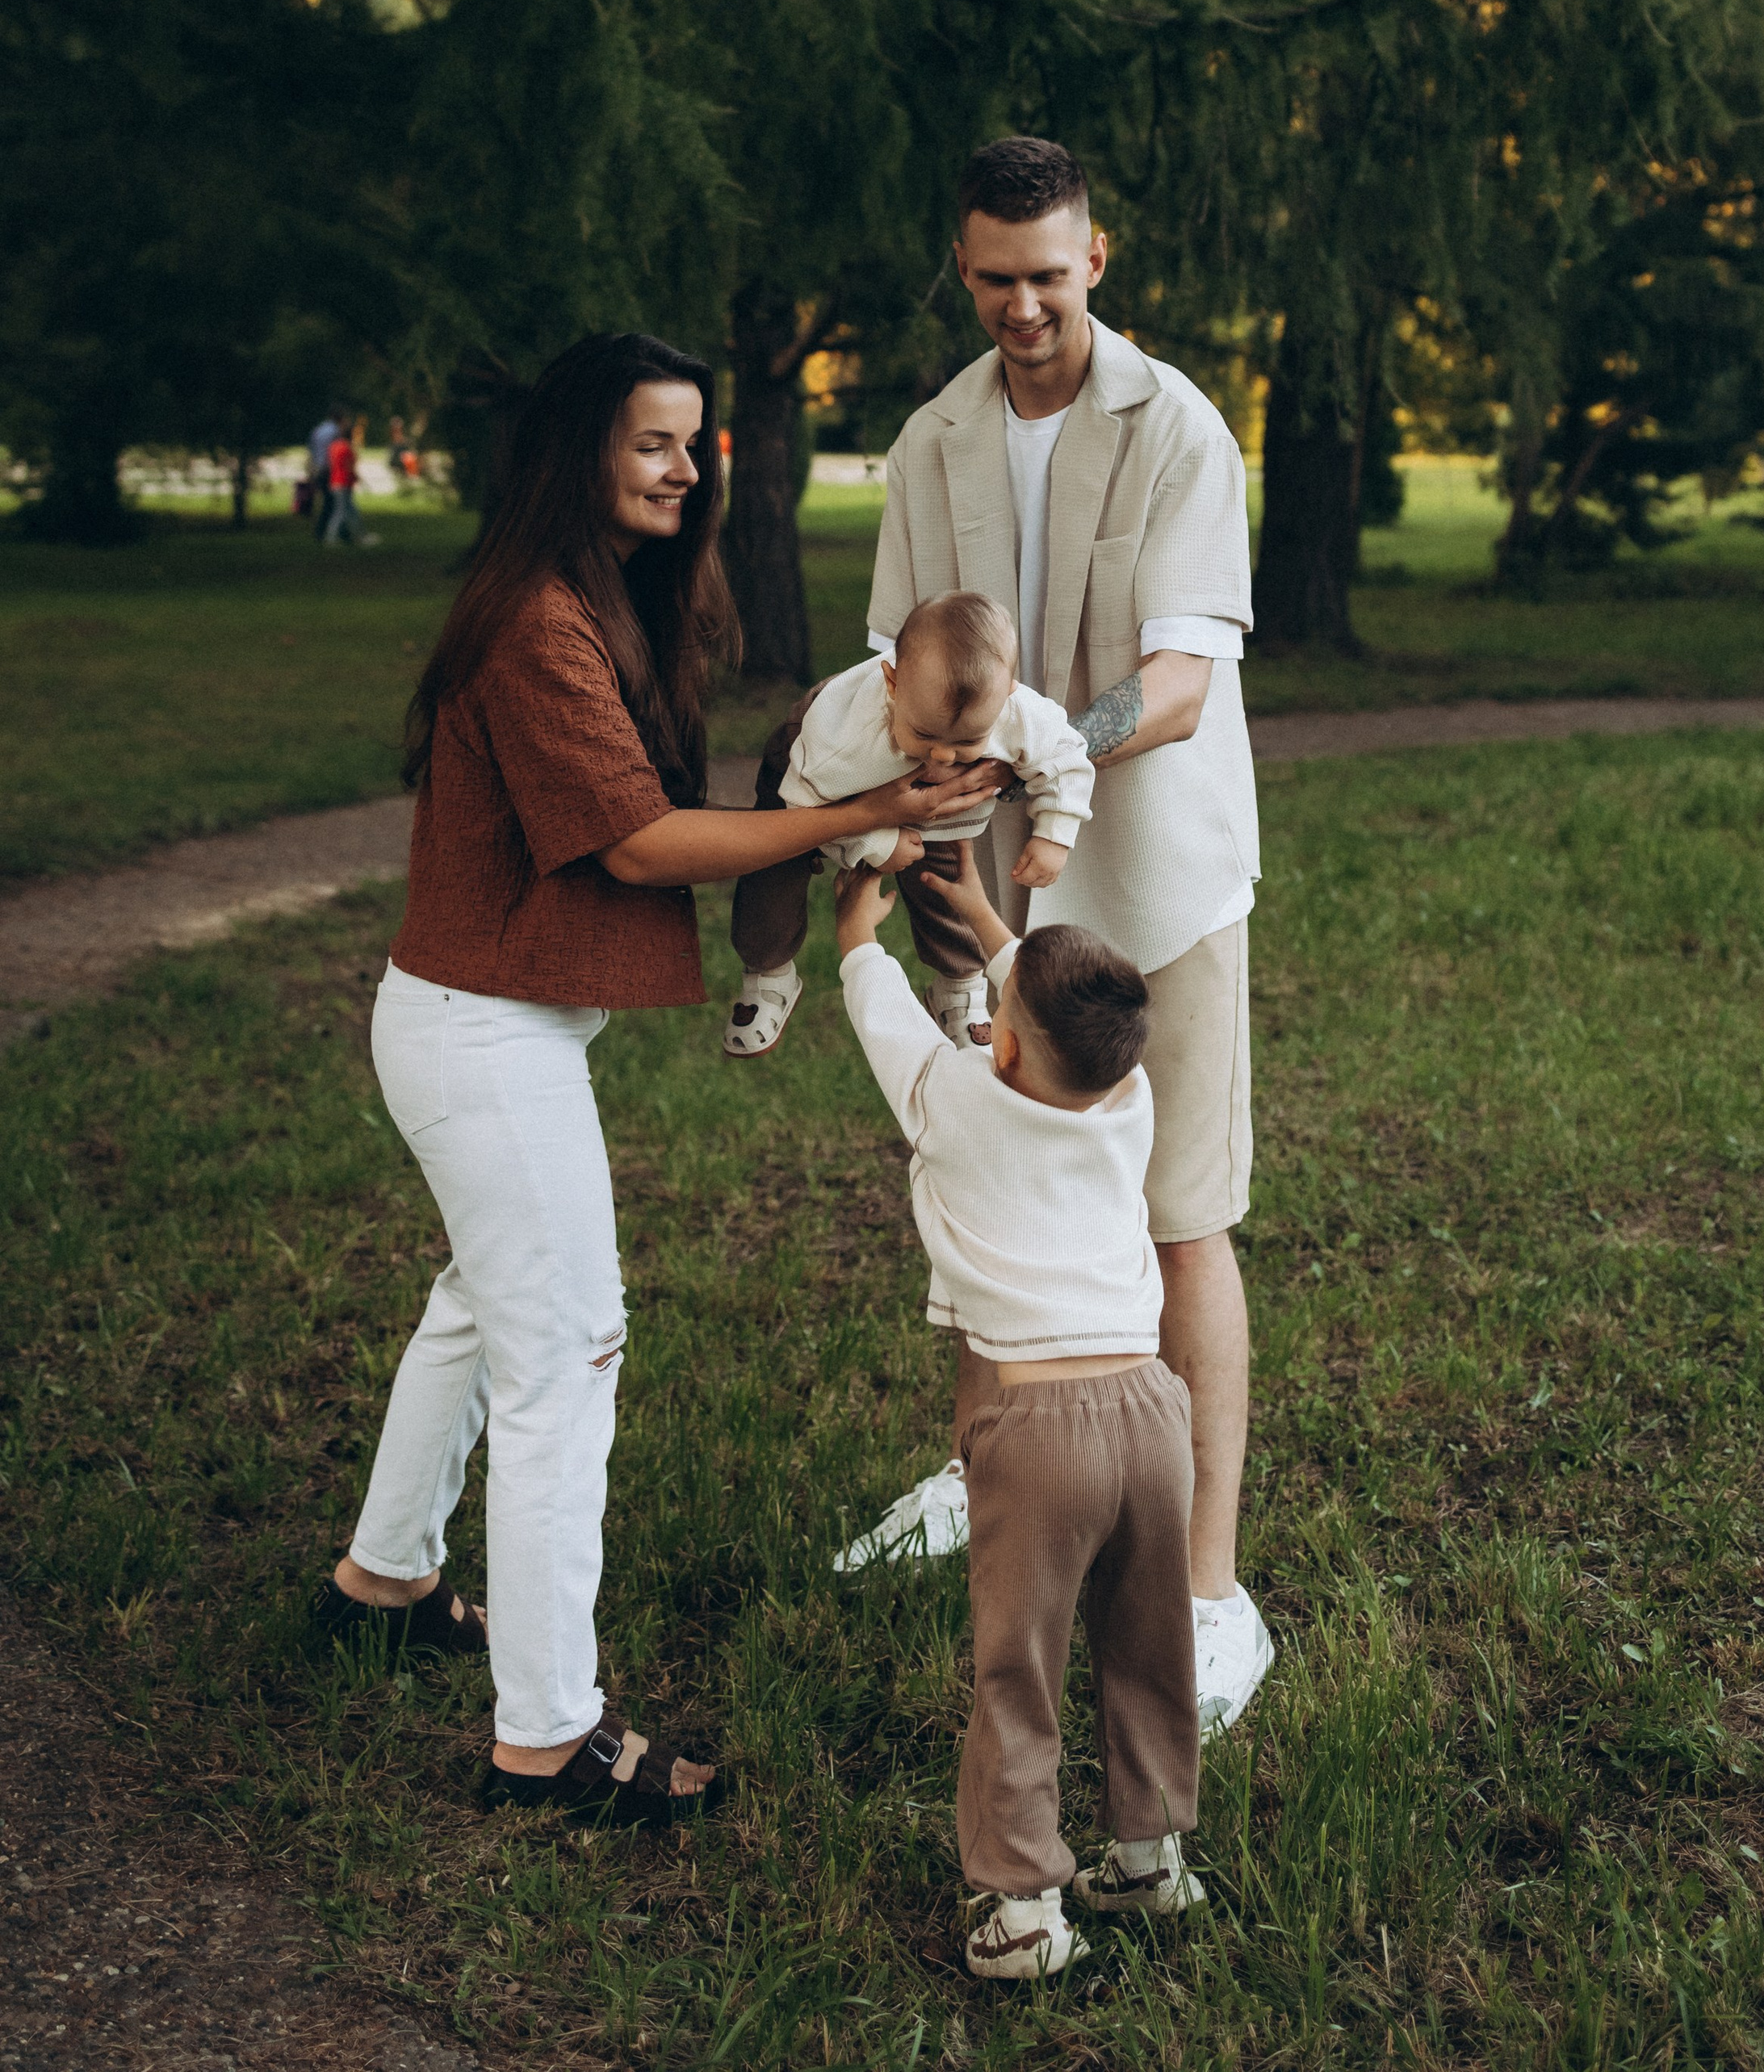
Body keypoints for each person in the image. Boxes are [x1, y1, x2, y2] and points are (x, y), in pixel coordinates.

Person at [314, 332, 990, 1830]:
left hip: (497, 1020)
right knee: (568, 1358)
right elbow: (635, 843)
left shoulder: (602, 602)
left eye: (697, 444)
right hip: (477, 1034)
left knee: (480, 1304)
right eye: (655, 446)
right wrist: (870, 810)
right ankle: (547, 1744)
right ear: (581, 454)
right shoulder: (534, 627)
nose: (690, 470)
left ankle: (385, 1580)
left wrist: (848, 813)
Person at [844, 135, 1275, 1735]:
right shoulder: (926, 439)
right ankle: (989, 1484)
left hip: (1149, 890)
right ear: (959, 272)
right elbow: (893, 651)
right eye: (991, 279)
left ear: (1097, 259)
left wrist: (1042, 747)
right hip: (979, 894)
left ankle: (1211, 1590)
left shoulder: (1176, 428)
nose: (1021, 308)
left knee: (1175, 1221)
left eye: (1047, 274)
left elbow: (1176, 683)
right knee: (980, 1220)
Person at [836, 842, 1203, 1982]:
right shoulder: (1130, 1096)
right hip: (1154, 1414)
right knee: (1148, 1643)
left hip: (1039, 1435)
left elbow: (882, 1007)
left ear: (997, 1040)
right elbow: (1054, 1020)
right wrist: (997, 925)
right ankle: (1149, 1854)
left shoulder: (954, 1102)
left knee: (1019, 1666)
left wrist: (856, 923)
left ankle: (1025, 1909)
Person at [725, 588, 1096, 1057]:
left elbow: (1067, 756)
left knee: (949, 877)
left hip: (931, 805)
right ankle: (768, 967)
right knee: (776, 867)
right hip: (814, 785)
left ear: (1008, 696)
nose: (943, 754)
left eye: (968, 740)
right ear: (892, 684)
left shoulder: (1018, 713)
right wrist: (876, 844)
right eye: (925, 734)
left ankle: (958, 986)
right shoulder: (841, 740)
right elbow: (804, 809)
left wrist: (1055, 832)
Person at [307, 405, 341, 538]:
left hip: (318, 468)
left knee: (327, 501)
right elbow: (335, 452)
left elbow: (311, 450)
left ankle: (325, 531)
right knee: (330, 502)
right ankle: (322, 532)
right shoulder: (335, 431)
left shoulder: (318, 430)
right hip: (328, 469)